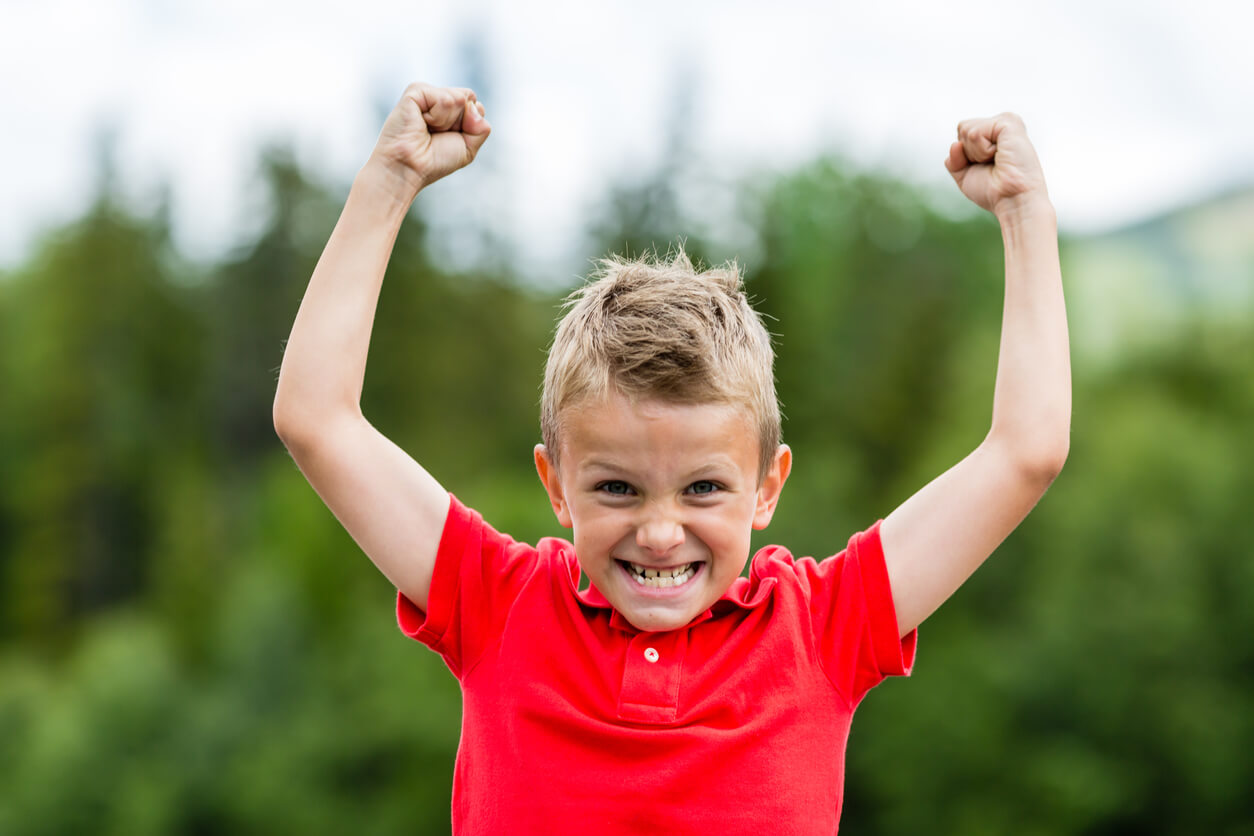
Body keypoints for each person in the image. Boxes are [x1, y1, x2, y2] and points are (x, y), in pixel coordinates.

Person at [272, 82, 1070, 835]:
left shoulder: (823, 630)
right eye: (617, 487)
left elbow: (1025, 453)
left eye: (703, 489)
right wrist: (390, 180)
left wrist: (1025, 214)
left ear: (767, 488)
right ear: (556, 485)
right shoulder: (499, 607)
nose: (660, 532)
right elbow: (316, 419)